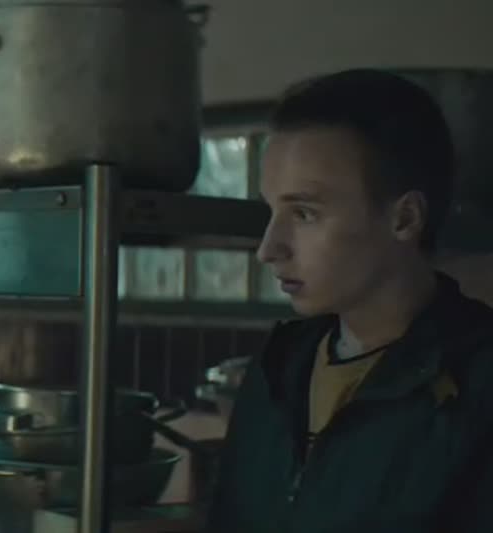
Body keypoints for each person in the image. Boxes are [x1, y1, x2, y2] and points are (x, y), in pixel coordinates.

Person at [205, 68, 493, 532]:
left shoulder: (477, 383)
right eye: (271, 211)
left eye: (304, 213)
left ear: (405, 219)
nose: (268, 248)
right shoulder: (280, 366)